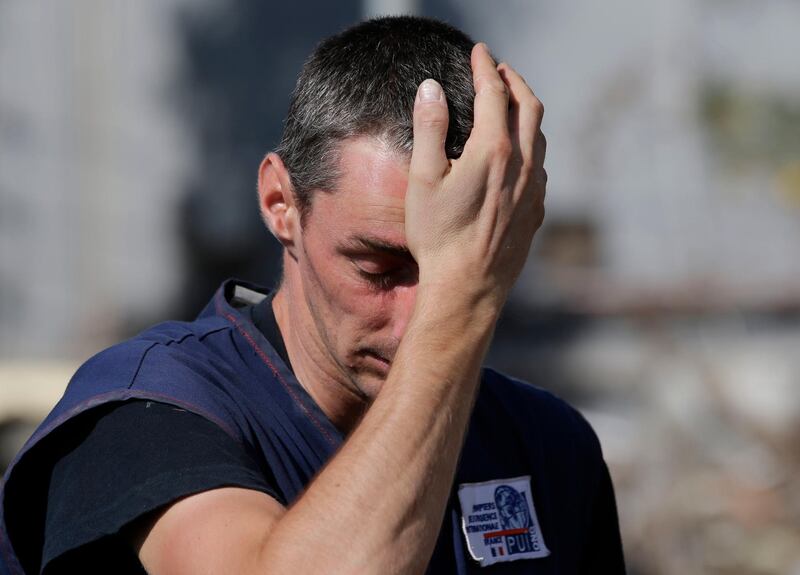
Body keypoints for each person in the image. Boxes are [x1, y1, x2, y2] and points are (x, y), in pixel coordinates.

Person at [0, 16, 625, 574]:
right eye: (378, 268)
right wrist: (462, 294)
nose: (417, 321)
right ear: (281, 204)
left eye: (450, 272)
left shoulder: (544, 443)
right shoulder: (146, 411)